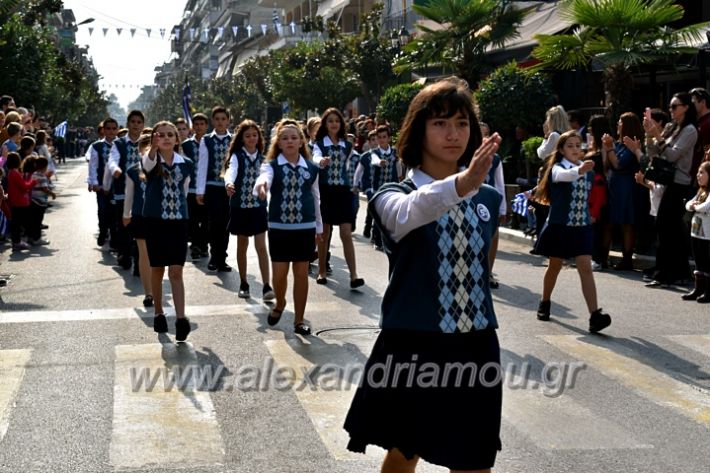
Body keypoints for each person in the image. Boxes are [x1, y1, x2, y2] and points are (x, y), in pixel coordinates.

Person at [344, 78, 503, 473]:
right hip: (414, 342)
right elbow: (407, 215)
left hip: (476, 343)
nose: (453, 134)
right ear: (418, 130)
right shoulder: (392, 195)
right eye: (440, 123)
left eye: (463, 123)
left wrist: (470, 187)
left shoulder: (487, 198)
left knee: (475, 458)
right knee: (404, 452)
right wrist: (461, 184)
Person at [533, 130, 612, 333]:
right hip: (560, 226)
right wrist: (580, 171)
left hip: (581, 226)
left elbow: (590, 197)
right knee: (555, 266)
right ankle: (545, 301)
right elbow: (565, 176)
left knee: (585, 267)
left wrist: (591, 214)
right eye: (570, 146)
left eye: (578, 145)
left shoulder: (589, 171)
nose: (576, 149)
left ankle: (595, 315)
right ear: (560, 150)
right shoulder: (558, 169)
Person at [253, 121, 322, 336]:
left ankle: (299, 320)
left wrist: (319, 227)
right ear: (278, 143)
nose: (290, 141)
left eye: (294, 137)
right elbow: (263, 179)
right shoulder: (271, 165)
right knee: (280, 274)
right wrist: (261, 187)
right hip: (279, 227)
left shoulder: (311, 168)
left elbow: (316, 197)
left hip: (305, 227)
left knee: (301, 273)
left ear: (302, 141)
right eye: (285, 138)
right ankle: (280, 303)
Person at [141, 121, 194, 341]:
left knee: (176, 271)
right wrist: (152, 148)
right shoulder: (151, 160)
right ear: (154, 138)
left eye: (170, 134)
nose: (166, 138)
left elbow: (184, 190)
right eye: (160, 135)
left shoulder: (186, 163)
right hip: (155, 222)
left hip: (178, 222)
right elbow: (147, 165)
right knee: (157, 269)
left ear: (177, 139)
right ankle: (159, 313)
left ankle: (181, 319)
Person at [643, 92, 698, 287]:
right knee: (671, 228)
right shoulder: (670, 127)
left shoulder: (690, 130)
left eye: (675, 107)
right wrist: (650, 135)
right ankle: (678, 271)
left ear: (685, 108)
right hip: (664, 180)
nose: (671, 111)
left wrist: (657, 135)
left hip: (679, 182)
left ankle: (665, 274)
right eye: (670, 107)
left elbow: (673, 155)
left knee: (666, 226)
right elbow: (654, 153)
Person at [311, 108, 364, 288]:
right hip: (326, 192)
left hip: (343, 192)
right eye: (330, 121)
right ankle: (321, 271)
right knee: (324, 235)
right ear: (325, 124)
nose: (334, 124)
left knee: (346, 234)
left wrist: (356, 184)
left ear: (341, 124)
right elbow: (316, 158)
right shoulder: (319, 144)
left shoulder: (347, 145)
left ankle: (354, 275)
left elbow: (356, 163)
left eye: (337, 121)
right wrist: (321, 162)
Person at [223, 119, 274, 301]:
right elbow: (231, 170)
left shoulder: (264, 157)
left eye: (254, 135)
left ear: (259, 137)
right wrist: (229, 183)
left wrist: (264, 187)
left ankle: (267, 285)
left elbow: (267, 175)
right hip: (240, 207)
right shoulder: (237, 155)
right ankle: (244, 282)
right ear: (242, 138)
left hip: (258, 208)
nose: (252, 138)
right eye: (248, 136)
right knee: (242, 245)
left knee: (261, 246)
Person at [602, 112, 644, 270]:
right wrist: (607, 148)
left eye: (620, 121)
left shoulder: (632, 144)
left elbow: (619, 164)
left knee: (627, 223)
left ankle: (627, 259)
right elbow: (607, 164)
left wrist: (610, 149)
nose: (618, 124)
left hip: (626, 187)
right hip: (613, 185)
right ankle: (603, 257)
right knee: (609, 222)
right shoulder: (617, 144)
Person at [107, 110, 145, 270]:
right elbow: (113, 160)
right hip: (123, 192)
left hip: (143, 194)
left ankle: (139, 263)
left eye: (139, 122)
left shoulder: (148, 143)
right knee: (124, 226)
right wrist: (115, 169)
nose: (136, 125)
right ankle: (125, 255)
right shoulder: (119, 143)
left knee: (141, 229)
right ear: (128, 124)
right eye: (133, 121)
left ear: (143, 125)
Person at [196, 106, 232, 272]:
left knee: (226, 224)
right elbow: (202, 165)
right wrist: (200, 190)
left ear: (228, 121)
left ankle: (222, 257)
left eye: (223, 119)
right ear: (212, 121)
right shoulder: (206, 140)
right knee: (214, 222)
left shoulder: (234, 140)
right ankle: (214, 256)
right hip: (212, 186)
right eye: (217, 119)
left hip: (229, 188)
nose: (220, 122)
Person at [123, 133, 154, 308]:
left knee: (156, 253)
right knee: (143, 252)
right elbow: (129, 194)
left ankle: (155, 286)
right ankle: (148, 293)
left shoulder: (164, 168)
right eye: (145, 147)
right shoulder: (133, 170)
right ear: (139, 150)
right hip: (140, 215)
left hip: (160, 217)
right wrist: (126, 214)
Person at [368, 124, 403, 251]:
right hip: (379, 189)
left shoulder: (394, 153)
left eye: (384, 137)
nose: (382, 140)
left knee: (390, 214)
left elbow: (398, 167)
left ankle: (388, 240)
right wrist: (379, 162)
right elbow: (374, 160)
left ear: (389, 138)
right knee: (379, 215)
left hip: (392, 188)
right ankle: (377, 239)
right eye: (379, 137)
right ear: (376, 139)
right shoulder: (374, 152)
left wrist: (400, 180)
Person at [480, 122, 507, 288]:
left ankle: (488, 272)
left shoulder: (495, 159)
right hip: (470, 200)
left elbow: (500, 185)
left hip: (490, 202)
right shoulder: (464, 156)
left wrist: (502, 208)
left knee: (493, 236)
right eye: (479, 134)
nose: (484, 138)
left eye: (486, 134)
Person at [585, 115, 612, 270]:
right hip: (590, 186)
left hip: (599, 186)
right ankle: (595, 256)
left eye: (591, 126)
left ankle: (599, 258)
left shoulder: (604, 144)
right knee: (593, 225)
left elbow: (605, 165)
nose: (588, 129)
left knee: (598, 224)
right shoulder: (593, 144)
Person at [182, 112, 209, 260]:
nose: (199, 127)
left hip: (207, 188)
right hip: (191, 188)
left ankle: (204, 245)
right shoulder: (186, 144)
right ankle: (196, 245)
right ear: (192, 126)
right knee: (192, 219)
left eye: (202, 124)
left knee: (205, 219)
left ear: (206, 126)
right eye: (196, 124)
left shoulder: (211, 142)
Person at [87, 118, 119, 247]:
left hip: (118, 186)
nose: (111, 131)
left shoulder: (121, 144)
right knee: (103, 210)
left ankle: (114, 238)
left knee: (115, 212)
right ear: (103, 130)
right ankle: (103, 231)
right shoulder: (97, 146)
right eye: (108, 128)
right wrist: (93, 182)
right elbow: (93, 165)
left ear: (117, 130)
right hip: (101, 185)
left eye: (113, 128)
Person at [682, 161, 710, 302]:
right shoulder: (700, 192)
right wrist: (693, 205)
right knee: (698, 260)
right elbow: (688, 204)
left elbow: (706, 206)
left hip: (707, 235)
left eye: (702, 172)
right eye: (698, 172)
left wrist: (695, 207)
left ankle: (708, 291)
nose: (698, 175)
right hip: (696, 232)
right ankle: (698, 288)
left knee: (707, 261)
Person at [6, 152, 36, 251]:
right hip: (20, 201)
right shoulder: (15, 174)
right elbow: (24, 187)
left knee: (16, 223)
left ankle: (16, 242)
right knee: (25, 222)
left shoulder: (10, 173)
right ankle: (23, 241)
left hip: (14, 201)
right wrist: (33, 182)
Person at [352, 129, 377, 238]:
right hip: (369, 186)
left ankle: (371, 229)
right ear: (369, 142)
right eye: (373, 140)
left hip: (382, 186)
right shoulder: (365, 157)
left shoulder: (387, 154)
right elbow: (358, 173)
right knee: (373, 204)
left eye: (378, 139)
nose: (376, 142)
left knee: (375, 207)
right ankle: (369, 227)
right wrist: (356, 185)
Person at [28, 156, 54, 246]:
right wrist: (52, 193)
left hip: (32, 200)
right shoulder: (42, 176)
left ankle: (31, 237)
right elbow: (45, 188)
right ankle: (37, 239)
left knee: (33, 220)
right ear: (45, 167)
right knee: (38, 221)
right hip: (40, 202)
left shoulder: (34, 174)